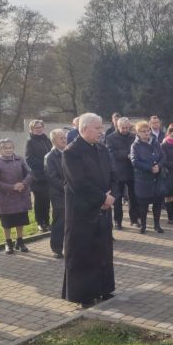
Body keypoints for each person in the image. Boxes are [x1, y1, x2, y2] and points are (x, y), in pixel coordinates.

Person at [61, 113, 115, 308]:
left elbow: (112, 174)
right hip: (82, 212)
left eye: (102, 128)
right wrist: (102, 198)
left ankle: (103, 288)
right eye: (97, 128)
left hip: (103, 209)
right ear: (84, 129)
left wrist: (110, 196)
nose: (101, 132)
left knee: (102, 250)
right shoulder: (71, 152)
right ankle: (84, 295)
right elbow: (78, 183)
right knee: (84, 252)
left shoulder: (101, 148)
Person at [0, 138, 34, 254]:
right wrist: (12, 187)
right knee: (7, 222)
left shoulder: (20, 159)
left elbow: (29, 173)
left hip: (20, 196)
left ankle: (20, 241)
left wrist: (23, 184)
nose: (8, 150)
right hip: (5, 197)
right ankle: (8, 242)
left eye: (10, 147)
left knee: (20, 220)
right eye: (5, 148)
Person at [130, 121, 167, 233]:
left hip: (156, 178)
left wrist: (158, 166)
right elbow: (134, 161)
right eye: (143, 131)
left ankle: (157, 225)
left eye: (148, 130)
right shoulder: (135, 145)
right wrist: (149, 167)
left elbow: (163, 156)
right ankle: (144, 225)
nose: (147, 133)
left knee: (157, 203)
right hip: (143, 179)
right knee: (143, 204)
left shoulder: (155, 143)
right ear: (138, 132)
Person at [106, 117, 140, 229]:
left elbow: (137, 150)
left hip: (131, 171)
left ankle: (134, 219)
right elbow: (111, 154)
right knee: (117, 198)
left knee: (133, 197)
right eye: (123, 128)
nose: (125, 130)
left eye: (127, 127)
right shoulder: (110, 138)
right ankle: (118, 221)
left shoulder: (133, 136)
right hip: (118, 172)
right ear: (117, 126)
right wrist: (127, 154)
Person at [25, 119, 52, 233]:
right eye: (36, 128)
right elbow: (29, 158)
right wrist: (45, 162)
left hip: (49, 175)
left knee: (47, 200)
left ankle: (47, 222)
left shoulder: (47, 139)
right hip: (38, 176)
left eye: (40, 127)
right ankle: (40, 222)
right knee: (40, 200)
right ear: (32, 129)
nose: (39, 129)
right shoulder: (30, 142)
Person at [45, 128, 68, 258]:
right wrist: (67, 187)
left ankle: (71, 246)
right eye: (61, 138)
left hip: (72, 193)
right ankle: (57, 248)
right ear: (53, 141)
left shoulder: (69, 152)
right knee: (59, 222)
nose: (64, 140)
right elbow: (52, 177)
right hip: (59, 195)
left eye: (65, 137)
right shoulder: (50, 157)